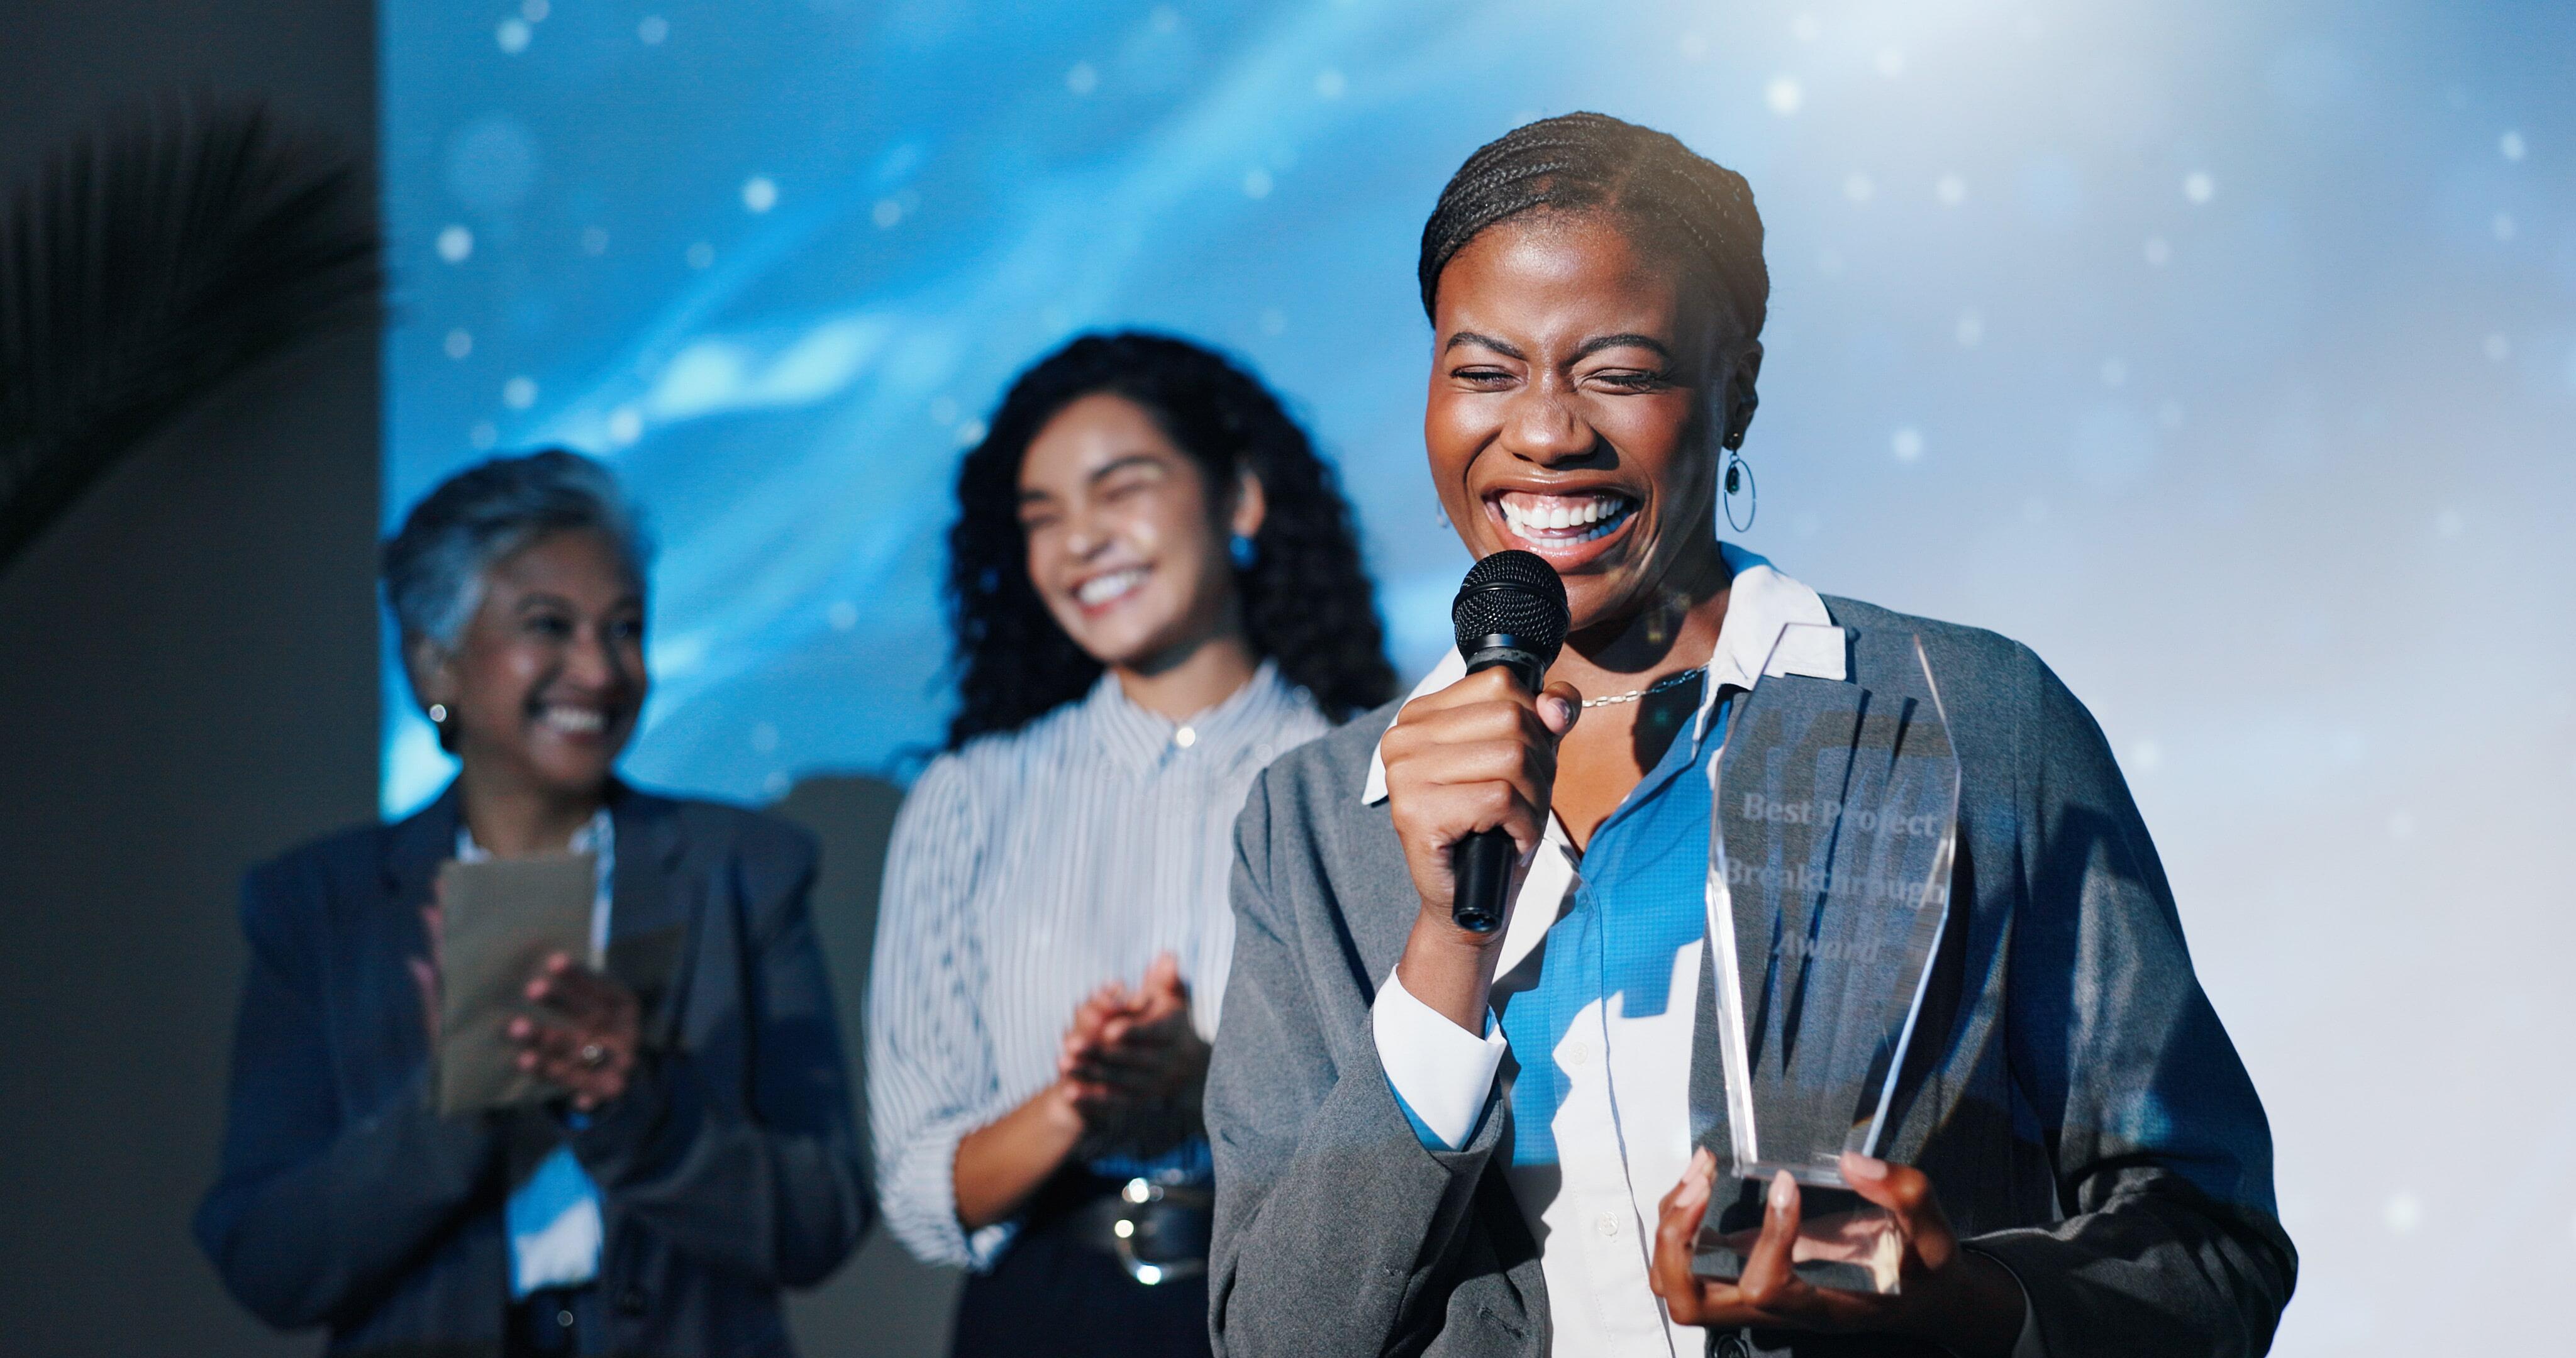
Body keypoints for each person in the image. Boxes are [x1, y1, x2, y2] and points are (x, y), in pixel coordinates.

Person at [1204, 113, 2295, 1358]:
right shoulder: (1305, 822)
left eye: (1617, 372)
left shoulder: (1965, 721)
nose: (1545, 431)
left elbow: (2209, 1247)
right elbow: (1276, 1342)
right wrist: (1448, 943)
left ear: (1737, 389)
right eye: (1483, 371)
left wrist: (1955, 1305)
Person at [196, 450, 870, 1357]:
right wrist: (455, 1102)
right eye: (548, 626)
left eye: (625, 628)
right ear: (435, 664)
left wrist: (634, 1109)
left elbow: (820, 1220)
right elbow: (270, 1265)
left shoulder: (743, 871)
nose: (598, 669)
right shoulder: (319, 906)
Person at [869, 332, 1395, 1358]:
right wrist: (1081, 1099)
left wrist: (1211, 1084)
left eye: (1122, 489)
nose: (1081, 541)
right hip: (1047, 1315)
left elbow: (1424, 1114)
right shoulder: (967, 800)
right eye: (1044, 517)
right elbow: (918, 1184)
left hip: (1303, 1307)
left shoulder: (1372, 773)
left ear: (1240, 499)